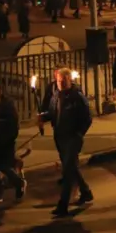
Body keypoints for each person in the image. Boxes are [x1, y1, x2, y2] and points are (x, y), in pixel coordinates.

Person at [39, 68, 93, 217]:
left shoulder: (77, 97)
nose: (60, 84)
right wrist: (43, 117)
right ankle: (86, 192)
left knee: (68, 171)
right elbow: (52, 112)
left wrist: (79, 134)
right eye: (58, 81)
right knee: (71, 167)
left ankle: (63, 205)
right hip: (60, 137)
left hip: (72, 139)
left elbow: (88, 118)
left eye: (63, 81)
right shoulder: (56, 95)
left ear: (69, 80)